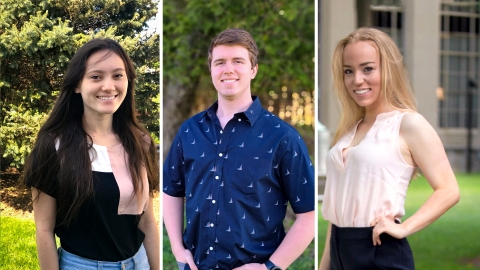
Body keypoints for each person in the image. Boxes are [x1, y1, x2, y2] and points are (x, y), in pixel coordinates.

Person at [163, 28, 315, 270]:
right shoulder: (190, 131)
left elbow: (309, 214)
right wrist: (177, 248)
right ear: (211, 69)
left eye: (238, 61)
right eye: (220, 62)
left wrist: (270, 268)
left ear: (253, 69)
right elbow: (171, 190)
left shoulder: (282, 137)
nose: (228, 69)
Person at [319, 27, 460, 269]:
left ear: (388, 70)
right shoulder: (349, 130)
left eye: (368, 68)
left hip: (378, 252)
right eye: (348, 71)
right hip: (339, 251)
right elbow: (337, 209)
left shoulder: (408, 124)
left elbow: (449, 190)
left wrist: (404, 227)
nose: (357, 80)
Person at [21, 38, 160, 270]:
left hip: (139, 262)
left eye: (118, 75)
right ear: (77, 84)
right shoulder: (54, 146)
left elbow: (147, 221)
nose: (109, 86)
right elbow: (44, 230)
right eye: (96, 77)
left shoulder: (141, 143)